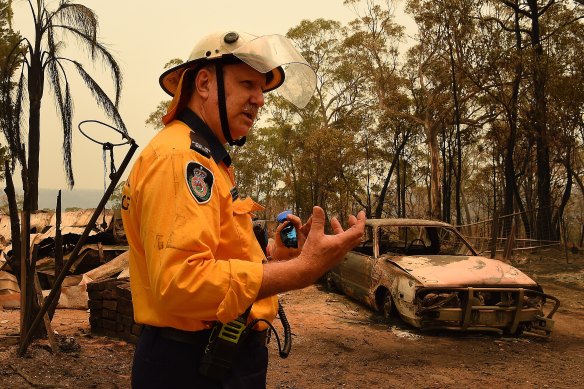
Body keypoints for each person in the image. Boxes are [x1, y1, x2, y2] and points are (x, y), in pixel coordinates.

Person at [121, 30, 366, 388]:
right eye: (248, 83)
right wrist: (303, 269)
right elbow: (181, 283)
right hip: (191, 366)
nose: (259, 99)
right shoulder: (181, 159)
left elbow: (219, 255)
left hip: (216, 358)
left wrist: (276, 258)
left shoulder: (209, 160)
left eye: (263, 89)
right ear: (204, 83)